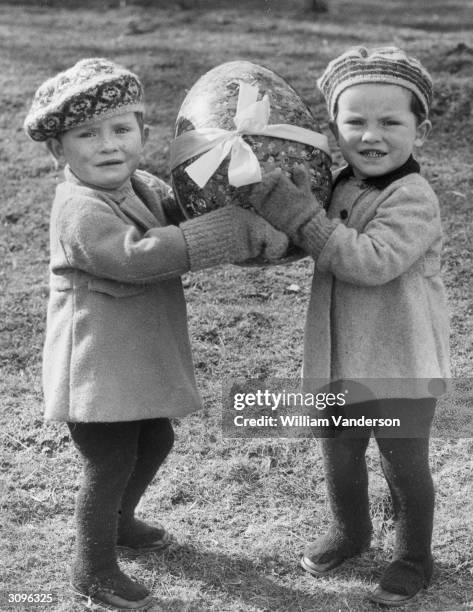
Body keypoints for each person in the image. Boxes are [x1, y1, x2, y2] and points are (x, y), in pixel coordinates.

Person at [24, 57, 288, 611]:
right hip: (95, 367)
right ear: (59, 151)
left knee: (157, 439)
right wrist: (224, 231)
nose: (107, 145)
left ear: (143, 134)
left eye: (121, 130)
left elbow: (181, 212)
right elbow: (136, 258)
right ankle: (91, 568)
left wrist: (238, 193)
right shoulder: (79, 208)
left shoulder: (139, 184)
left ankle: (120, 522)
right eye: (86, 135)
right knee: (109, 459)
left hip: (133, 359)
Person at [249, 47, 450, 606]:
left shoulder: (413, 197)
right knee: (338, 446)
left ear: (421, 128)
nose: (371, 135)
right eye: (354, 121)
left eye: (391, 121)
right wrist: (264, 225)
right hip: (340, 357)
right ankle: (352, 531)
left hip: (400, 360)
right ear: (334, 128)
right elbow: (306, 236)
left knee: (401, 458)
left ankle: (414, 557)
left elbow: (369, 261)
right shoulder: (340, 184)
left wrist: (301, 216)